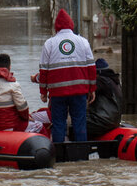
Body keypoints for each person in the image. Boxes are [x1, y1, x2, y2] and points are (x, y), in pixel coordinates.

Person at [37, 8, 96, 143]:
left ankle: (59, 155)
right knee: (80, 123)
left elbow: (43, 70)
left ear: (56, 27)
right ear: (71, 25)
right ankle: (81, 156)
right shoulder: (83, 42)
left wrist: (43, 92)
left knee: (58, 124)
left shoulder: (49, 44)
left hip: (57, 94)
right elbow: (91, 68)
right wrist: (92, 89)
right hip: (79, 93)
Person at [87, 57, 123, 139]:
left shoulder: (100, 81)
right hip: (115, 122)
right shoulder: (116, 82)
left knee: (75, 123)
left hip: (100, 121)